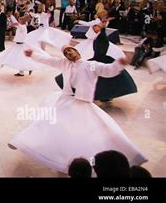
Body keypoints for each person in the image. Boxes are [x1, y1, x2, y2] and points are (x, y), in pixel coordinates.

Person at [8, 46, 147, 174]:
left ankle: (73, 158)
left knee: (95, 130)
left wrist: (119, 64)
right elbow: (49, 60)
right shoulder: (64, 63)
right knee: (46, 123)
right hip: (65, 100)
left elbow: (107, 70)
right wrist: (33, 55)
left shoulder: (89, 65)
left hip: (82, 103)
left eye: (70, 50)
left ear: (77, 52)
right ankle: (23, 142)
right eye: (65, 52)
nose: (68, 53)